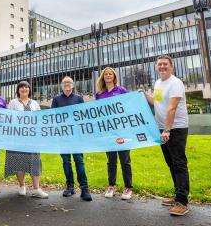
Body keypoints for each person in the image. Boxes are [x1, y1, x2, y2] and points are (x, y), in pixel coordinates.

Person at [142, 55, 190, 216]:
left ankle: (182, 202)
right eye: (159, 64)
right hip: (162, 128)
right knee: (171, 163)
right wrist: (143, 94)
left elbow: (172, 108)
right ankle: (178, 195)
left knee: (179, 163)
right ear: (156, 67)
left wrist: (167, 130)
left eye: (165, 64)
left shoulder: (175, 83)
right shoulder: (158, 83)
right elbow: (156, 103)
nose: (162, 66)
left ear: (171, 66)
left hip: (175, 128)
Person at [51, 76, 92, 201]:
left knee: (79, 161)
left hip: (77, 136)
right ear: (61, 86)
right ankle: (70, 186)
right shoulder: (56, 99)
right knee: (66, 162)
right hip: (63, 136)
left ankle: (84, 188)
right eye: (64, 83)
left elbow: (83, 116)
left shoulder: (79, 99)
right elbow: (52, 117)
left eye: (69, 82)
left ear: (73, 85)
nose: (67, 84)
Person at [5, 81, 48, 199]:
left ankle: (36, 188)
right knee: (19, 161)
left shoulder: (34, 103)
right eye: (21, 87)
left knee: (35, 161)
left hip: (33, 138)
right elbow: (9, 118)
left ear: (29, 89)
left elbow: (39, 119)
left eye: (26, 87)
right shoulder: (13, 103)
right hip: (18, 138)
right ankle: (22, 186)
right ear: (18, 90)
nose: (24, 89)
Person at [95, 67, 133, 200]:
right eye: (105, 74)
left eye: (110, 74)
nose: (108, 76)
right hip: (107, 131)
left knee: (125, 160)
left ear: (114, 76)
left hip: (122, 131)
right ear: (103, 77)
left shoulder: (121, 90)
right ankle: (111, 185)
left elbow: (129, 106)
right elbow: (97, 112)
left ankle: (128, 188)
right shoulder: (99, 93)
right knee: (111, 161)